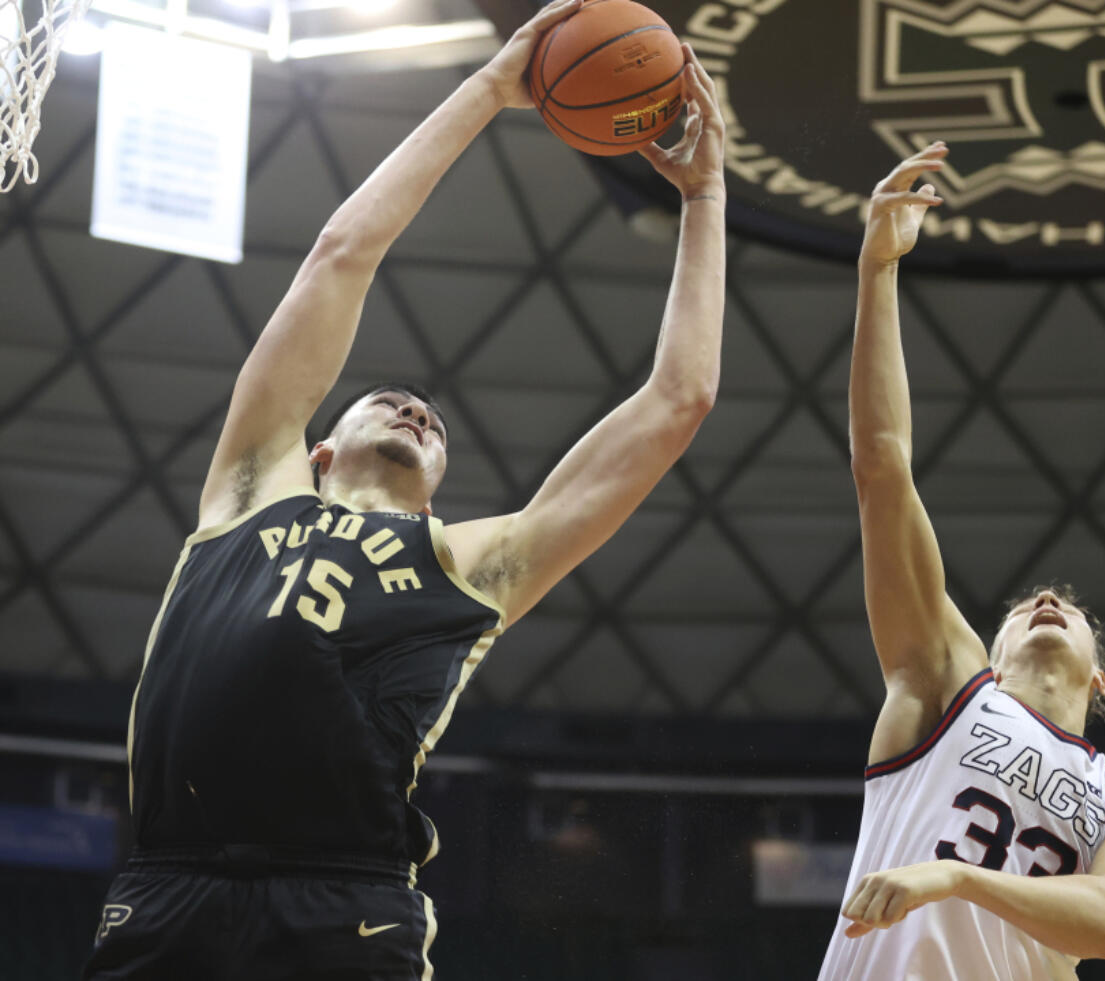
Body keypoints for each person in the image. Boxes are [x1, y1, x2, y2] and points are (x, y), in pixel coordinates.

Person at [84, 2, 727, 977]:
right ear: (316, 454)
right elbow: (342, 254)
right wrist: (487, 89)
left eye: (433, 423)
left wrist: (705, 201)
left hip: (345, 901)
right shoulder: (249, 492)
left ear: (433, 496)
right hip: (166, 887)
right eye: (386, 401)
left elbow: (677, 402)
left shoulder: (465, 563)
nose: (416, 411)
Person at [817, 142, 1105, 980]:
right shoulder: (947, 678)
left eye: (1068, 607)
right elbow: (881, 464)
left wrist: (957, 878)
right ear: (995, 645)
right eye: (1025, 606)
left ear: (1099, 679)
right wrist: (876, 271)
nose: (1047, 599)